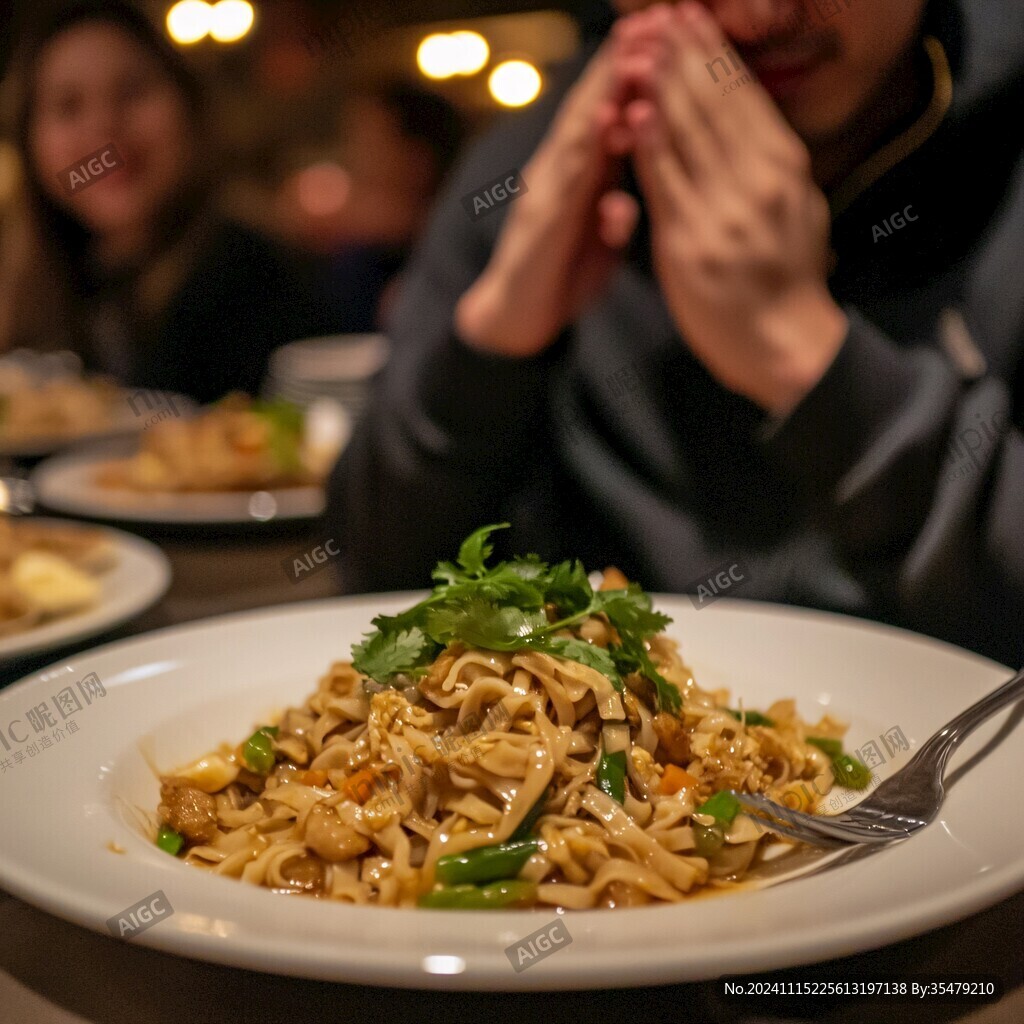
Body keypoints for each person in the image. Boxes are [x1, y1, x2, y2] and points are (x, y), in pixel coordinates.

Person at [329, 0, 1024, 669]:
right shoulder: (525, 171)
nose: (760, 16)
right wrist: (490, 350)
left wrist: (808, 361)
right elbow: (370, 581)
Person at [0, 0, 333, 403]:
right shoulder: (45, 293)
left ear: (188, 107)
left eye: (132, 91)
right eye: (68, 106)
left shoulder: (259, 283)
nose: (103, 127)